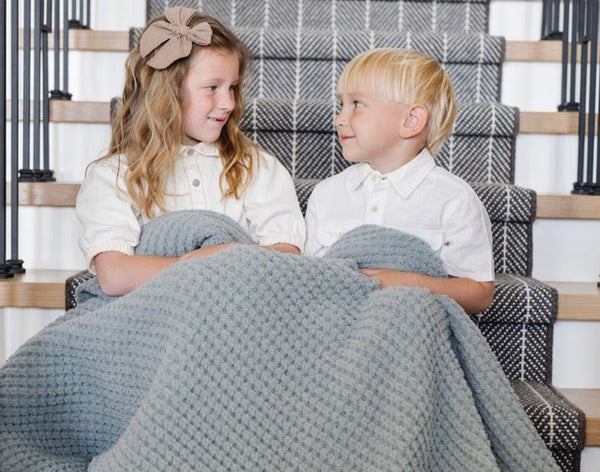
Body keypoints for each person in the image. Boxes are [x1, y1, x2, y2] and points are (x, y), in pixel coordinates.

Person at [76, 7, 305, 296]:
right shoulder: (115, 177)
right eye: (212, 88)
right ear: (167, 92)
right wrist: (205, 263)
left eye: (233, 87)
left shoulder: (255, 167)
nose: (229, 103)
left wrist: (217, 257)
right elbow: (115, 275)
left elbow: (288, 255)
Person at [304, 48, 495, 314]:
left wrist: (411, 283)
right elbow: (309, 281)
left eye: (356, 104)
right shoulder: (326, 195)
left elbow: (480, 294)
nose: (340, 119)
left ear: (411, 120)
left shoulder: (454, 200)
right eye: (341, 105)